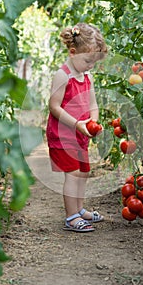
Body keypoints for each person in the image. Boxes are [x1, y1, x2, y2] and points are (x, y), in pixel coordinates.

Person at [46, 23, 107, 232]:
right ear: (73, 53)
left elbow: (93, 105)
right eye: (88, 61)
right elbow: (54, 107)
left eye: (94, 62)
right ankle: (71, 216)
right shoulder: (63, 76)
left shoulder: (87, 76)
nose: (91, 65)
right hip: (63, 134)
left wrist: (94, 122)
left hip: (81, 134)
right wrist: (77, 124)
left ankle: (80, 209)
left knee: (82, 173)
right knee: (72, 173)